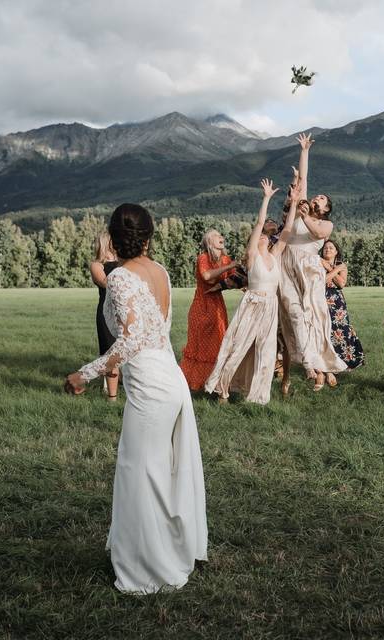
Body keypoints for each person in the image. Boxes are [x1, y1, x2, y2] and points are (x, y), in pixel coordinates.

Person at [64, 203, 207, 595]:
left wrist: (85, 374)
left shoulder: (122, 278)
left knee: (139, 471)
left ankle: (148, 567)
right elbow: (157, 330)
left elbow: (129, 339)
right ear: (149, 235)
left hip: (149, 384)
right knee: (159, 470)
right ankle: (162, 547)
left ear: (112, 237)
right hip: (169, 376)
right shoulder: (159, 270)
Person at [205, 179, 295, 404]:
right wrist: (266, 198)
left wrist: (293, 203)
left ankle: (258, 396)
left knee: (266, 350)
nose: (264, 235)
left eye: (266, 234)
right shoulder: (253, 255)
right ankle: (222, 389)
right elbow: (259, 223)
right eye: (261, 234)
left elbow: (289, 229)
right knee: (238, 346)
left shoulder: (275, 255)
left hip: (270, 306)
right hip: (252, 303)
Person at [278, 132, 346, 392]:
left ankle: (319, 363)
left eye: (321, 199)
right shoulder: (303, 205)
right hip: (287, 264)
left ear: (326, 208)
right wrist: (304, 151)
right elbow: (303, 180)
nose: (316, 198)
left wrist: (305, 216)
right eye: (315, 196)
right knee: (293, 313)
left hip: (308, 269)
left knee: (311, 316)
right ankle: (308, 365)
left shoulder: (325, 223)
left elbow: (317, 235)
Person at [179, 229, 238, 391]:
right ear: (208, 242)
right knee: (199, 346)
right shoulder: (203, 258)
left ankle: (216, 384)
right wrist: (230, 266)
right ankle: (194, 384)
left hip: (218, 306)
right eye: (216, 235)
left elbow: (234, 280)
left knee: (219, 344)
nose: (221, 237)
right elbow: (206, 277)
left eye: (221, 235)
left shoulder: (226, 259)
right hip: (201, 305)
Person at [320, 239, 365, 384]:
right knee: (324, 332)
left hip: (337, 302)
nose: (327, 249)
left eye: (331, 247)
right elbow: (321, 281)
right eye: (325, 248)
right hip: (320, 299)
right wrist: (334, 270)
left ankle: (340, 364)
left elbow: (341, 283)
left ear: (336, 251)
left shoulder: (341, 266)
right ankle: (326, 368)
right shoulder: (319, 263)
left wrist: (334, 268)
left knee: (340, 331)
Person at [90, 231, 121, 401]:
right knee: (110, 353)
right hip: (106, 312)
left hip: (126, 310)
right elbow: (105, 282)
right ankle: (112, 397)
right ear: (105, 242)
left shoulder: (125, 261)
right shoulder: (96, 265)